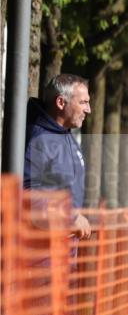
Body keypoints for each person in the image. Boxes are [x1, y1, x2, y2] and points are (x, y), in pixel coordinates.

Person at [23, 73, 91, 239]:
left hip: (64, 248)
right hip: (40, 251)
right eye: (83, 102)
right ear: (61, 102)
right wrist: (70, 218)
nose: (88, 109)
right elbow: (27, 196)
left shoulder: (67, 135)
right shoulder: (38, 139)